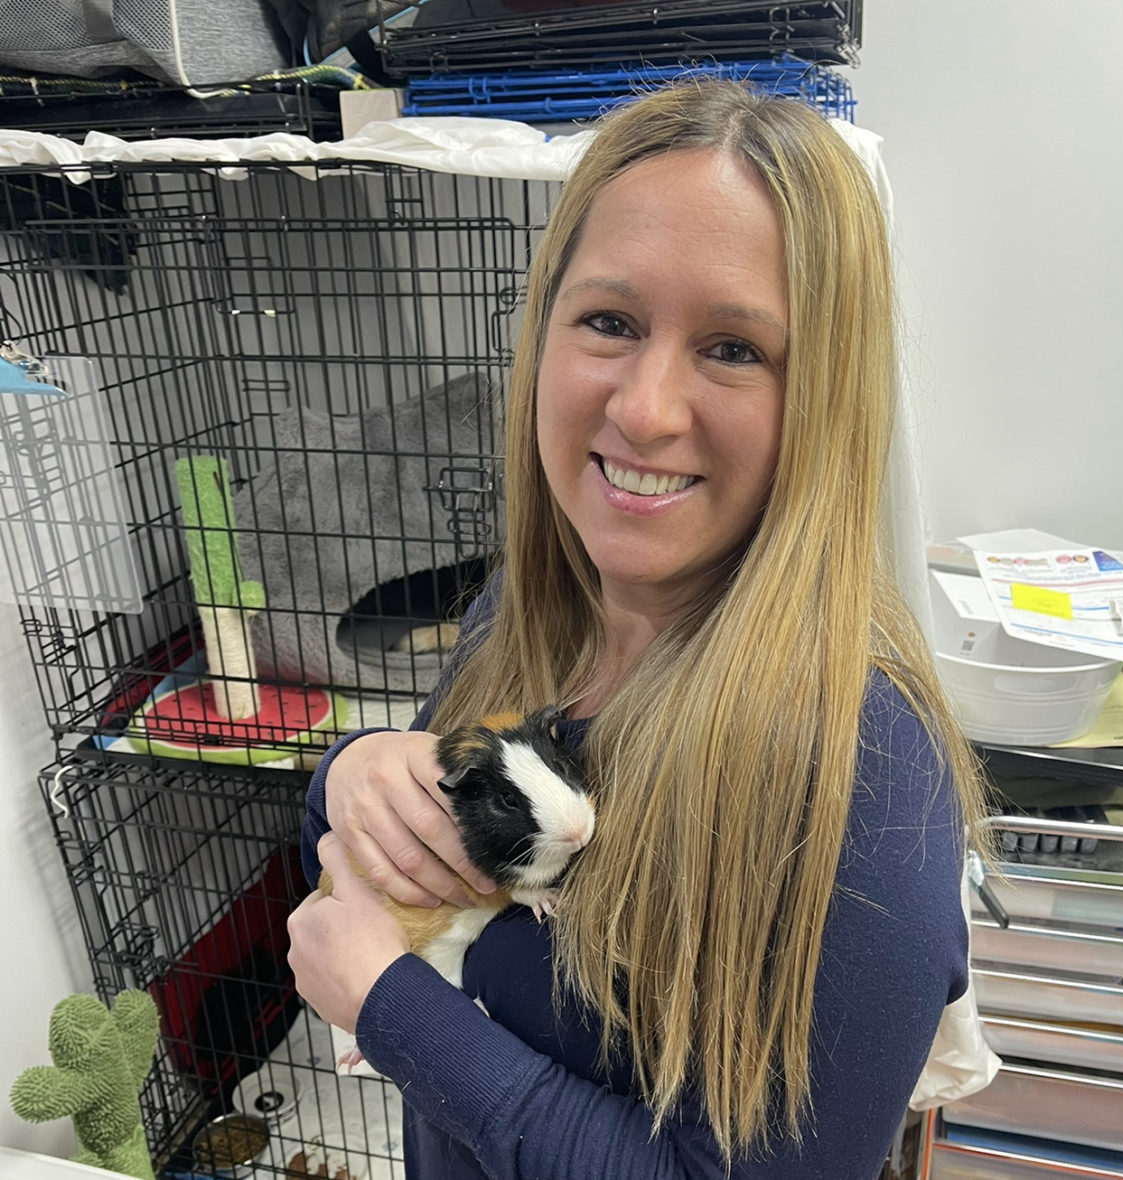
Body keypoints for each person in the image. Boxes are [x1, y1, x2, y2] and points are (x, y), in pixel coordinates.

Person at [287, 79, 988, 1180]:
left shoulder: (866, 761)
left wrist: (391, 1008)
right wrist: (350, 772)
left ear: (823, 394)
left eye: (733, 347)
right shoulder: (516, 620)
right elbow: (390, 870)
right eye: (609, 322)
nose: (647, 408)